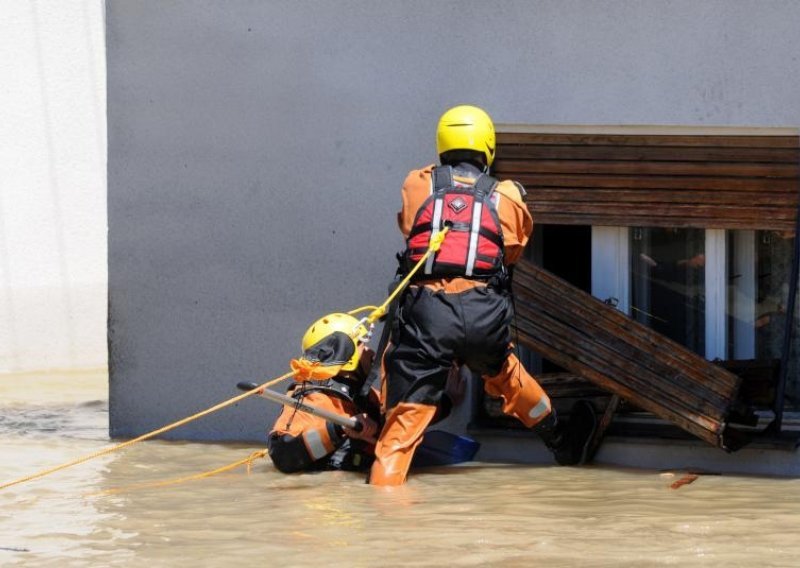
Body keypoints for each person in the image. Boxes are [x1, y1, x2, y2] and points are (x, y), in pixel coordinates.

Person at [368, 105, 597, 486]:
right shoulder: (507, 196)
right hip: (482, 312)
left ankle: (383, 505)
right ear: (488, 147)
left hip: (428, 314)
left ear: (442, 145)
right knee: (507, 375)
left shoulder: (416, 183)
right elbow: (514, 249)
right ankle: (561, 441)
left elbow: (409, 228)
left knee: (398, 437)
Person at [267, 313, 381, 473]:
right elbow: (283, 457)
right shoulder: (311, 399)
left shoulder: (372, 398)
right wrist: (338, 429)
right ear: (348, 354)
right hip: (328, 495)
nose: (371, 352)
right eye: (364, 344)